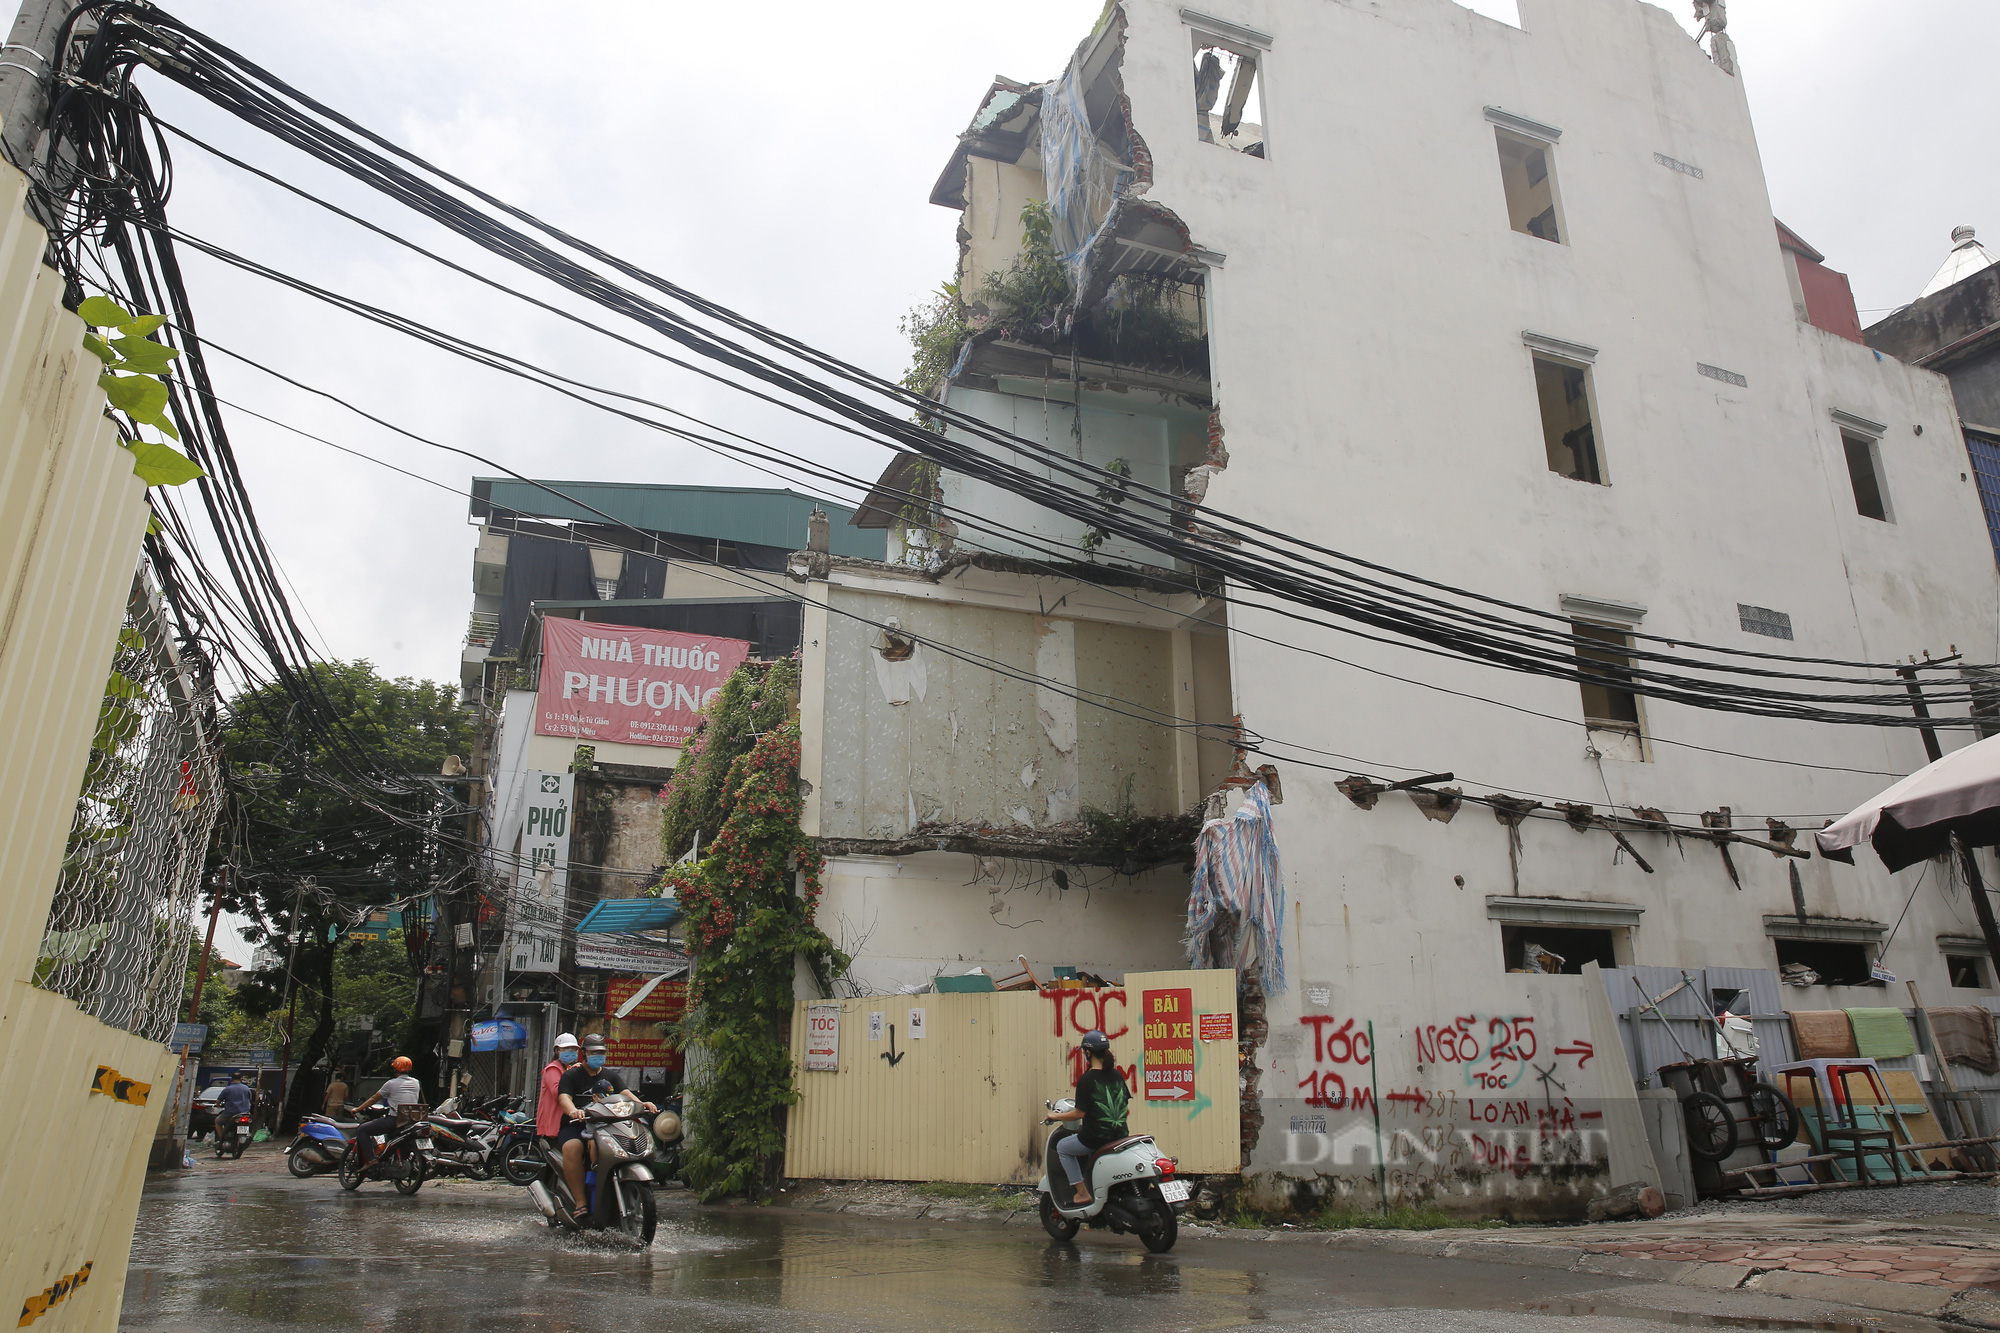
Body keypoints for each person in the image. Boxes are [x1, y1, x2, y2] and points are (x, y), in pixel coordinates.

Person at [556, 1034, 653, 1226]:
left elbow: (625, 1093)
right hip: (577, 1126)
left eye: (601, 1052)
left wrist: (643, 1104)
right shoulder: (572, 1075)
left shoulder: (611, 1076)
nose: (598, 1056)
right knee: (572, 1148)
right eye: (593, 1052)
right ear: (584, 1054)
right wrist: (574, 1111)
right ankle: (581, 1201)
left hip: (606, 1125)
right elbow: (563, 1098)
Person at [1048, 1030, 1128, 1207]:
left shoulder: (1087, 1079)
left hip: (1095, 1138)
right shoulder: (1117, 1075)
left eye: (1085, 1051)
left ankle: (1082, 1193)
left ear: (1089, 1052)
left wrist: (1055, 1116)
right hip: (1120, 1134)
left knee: (1063, 1147)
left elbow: (1079, 1113)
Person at [351, 1056, 422, 1170]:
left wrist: (357, 1109)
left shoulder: (391, 1083)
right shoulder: (416, 1083)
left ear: (395, 1069)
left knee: (362, 1129)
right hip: (411, 1121)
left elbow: (374, 1098)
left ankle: (371, 1160)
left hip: (394, 1121)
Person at [536, 1033, 580, 1143]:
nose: (570, 1052)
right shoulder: (552, 1069)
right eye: (566, 1049)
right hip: (554, 1119)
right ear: (557, 1051)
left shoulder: (569, 1069)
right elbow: (557, 1093)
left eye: (573, 1049)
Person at [216, 1072, 253, 1141]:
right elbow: (250, 1100)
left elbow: (218, 1101)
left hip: (230, 1114)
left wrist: (219, 1105)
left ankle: (221, 1139)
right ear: (241, 1079)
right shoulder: (246, 1089)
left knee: (217, 1122)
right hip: (245, 1114)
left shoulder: (227, 1089)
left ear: (231, 1080)